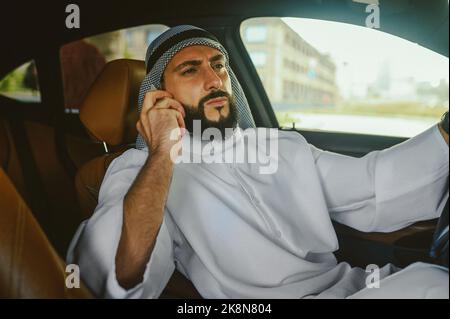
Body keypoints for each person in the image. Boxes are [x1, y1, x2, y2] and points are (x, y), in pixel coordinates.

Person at [67, 25, 449, 299]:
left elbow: (373, 187)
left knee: (433, 282)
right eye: (190, 69)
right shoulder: (138, 169)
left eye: (218, 65)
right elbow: (117, 273)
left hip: (351, 287)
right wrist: (163, 152)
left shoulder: (281, 145)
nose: (214, 78)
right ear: (159, 94)